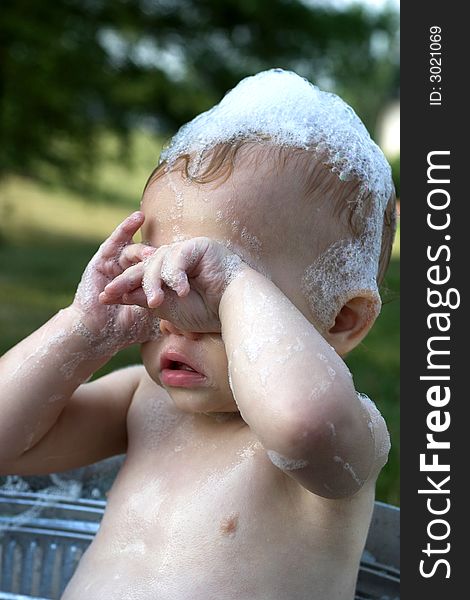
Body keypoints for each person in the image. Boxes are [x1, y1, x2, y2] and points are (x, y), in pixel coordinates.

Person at [0, 69, 396, 599]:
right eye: (157, 277)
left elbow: (302, 423)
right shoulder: (143, 402)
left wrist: (233, 281)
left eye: (207, 289)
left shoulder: (345, 433)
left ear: (341, 320)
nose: (171, 314)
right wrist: (81, 330)